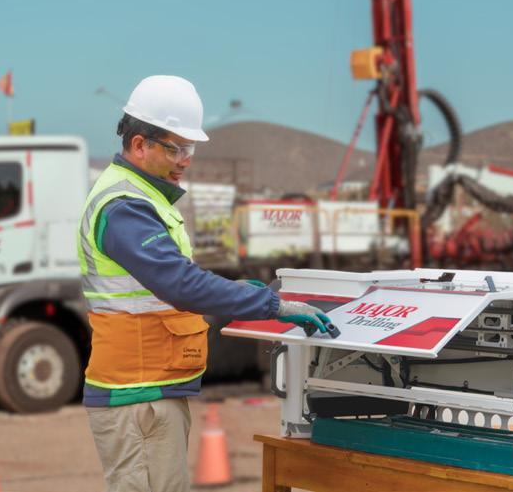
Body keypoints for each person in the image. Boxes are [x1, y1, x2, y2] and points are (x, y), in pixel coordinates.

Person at [79, 74, 332, 492]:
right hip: (137, 394)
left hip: (149, 388)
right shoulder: (125, 206)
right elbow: (180, 284)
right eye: (175, 148)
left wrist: (242, 291)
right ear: (139, 144)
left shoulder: (142, 197)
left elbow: (173, 279)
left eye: (189, 149)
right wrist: (272, 306)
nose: (185, 160)